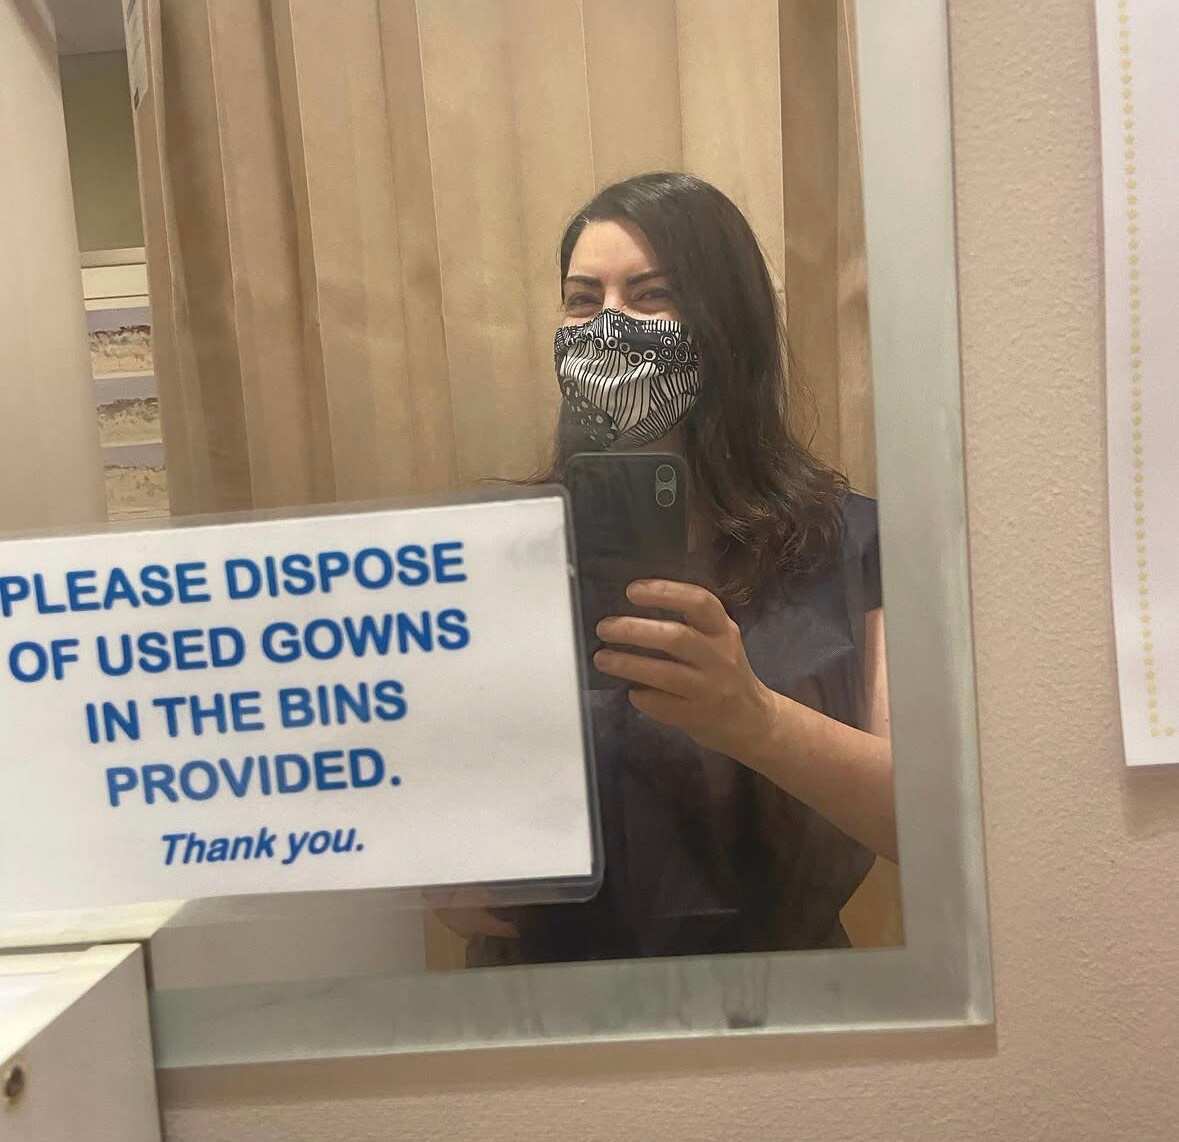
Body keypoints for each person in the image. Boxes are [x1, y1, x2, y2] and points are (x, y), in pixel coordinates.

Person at [450, 171, 894, 965]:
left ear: (728, 324)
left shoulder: (851, 543)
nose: (607, 326)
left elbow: (922, 821)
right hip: (539, 1017)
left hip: (794, 1010)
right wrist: (429, 862)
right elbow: (428, 775)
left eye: (650, 295)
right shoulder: (502, 550)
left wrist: (753, 720)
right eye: (583, 301)